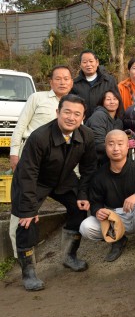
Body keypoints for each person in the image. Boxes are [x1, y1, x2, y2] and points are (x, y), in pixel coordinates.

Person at [12, 94, 97, 291]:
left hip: (64, 178)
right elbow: (28, 174)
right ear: (58, 112)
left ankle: (69, 256)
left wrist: (83, 194)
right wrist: (28, 208)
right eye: (67, 112)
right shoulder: (39, 137)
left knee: (79, 208)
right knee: (27, 220)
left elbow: (88, 169)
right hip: (36, 181)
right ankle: (29, 272)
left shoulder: (86, 136)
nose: (71, 117)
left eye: (77, 114)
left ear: (82, 117)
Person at [9, 65, 75, 258]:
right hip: (31, 160)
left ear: (72, 82)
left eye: (66, 78)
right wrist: (14, 153)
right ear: (51, 82)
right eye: (58, 78)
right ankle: (19, 256)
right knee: (22, 207)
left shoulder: (74, 105)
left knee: (76, 198)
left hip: (58, 164)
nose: (62, 82)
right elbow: (20, 125)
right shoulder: (37, 98)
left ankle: (68, 253)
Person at [80, 130, 135, 261]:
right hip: (114, 218)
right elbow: (95, 201)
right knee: (86, 227)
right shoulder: (99, 175)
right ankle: (117, 239)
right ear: (106, 148)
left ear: (127, 146)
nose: (116, 148)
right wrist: (97, 211)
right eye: (111, 144)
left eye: (120, 144)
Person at [71, 50, 119, 120]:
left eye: (91, 61)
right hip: (82, 125)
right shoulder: (75, 84)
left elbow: (118, 102)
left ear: (97, 62)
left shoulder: (109, 81)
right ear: (80, 65)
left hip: (105, 124)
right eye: (84, 62)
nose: (88, 65)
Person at [85, 88, 124, 166]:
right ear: (102, 102)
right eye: (108, 99)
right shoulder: (99, 115)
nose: (112, 102)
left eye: (115, 99)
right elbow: (98, 144)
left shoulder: (118, 122)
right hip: (95, 160)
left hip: (110, 157)